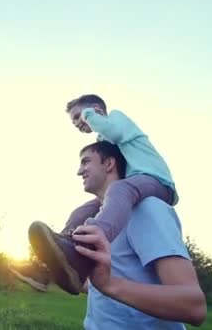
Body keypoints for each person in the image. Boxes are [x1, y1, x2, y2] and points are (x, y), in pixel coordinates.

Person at [32, 141, 206, 328]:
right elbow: (100, 287)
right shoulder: (94, 220)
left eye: (86, 162)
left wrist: (109, 284)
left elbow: (193, 307)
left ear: (108, 164)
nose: (79, 171)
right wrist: (65, 273)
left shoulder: (148, 210)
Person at [15, 94, 177, 294]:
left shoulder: (116, 120)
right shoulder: (103, 138)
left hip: (156, 180)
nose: (76, 123)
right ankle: (63, 250)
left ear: (96, 110)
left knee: (118, 190)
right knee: (84, 210)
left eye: (77, 117)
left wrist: (89, 114)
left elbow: (114, 132)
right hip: (131, 186)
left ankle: (92, 241)